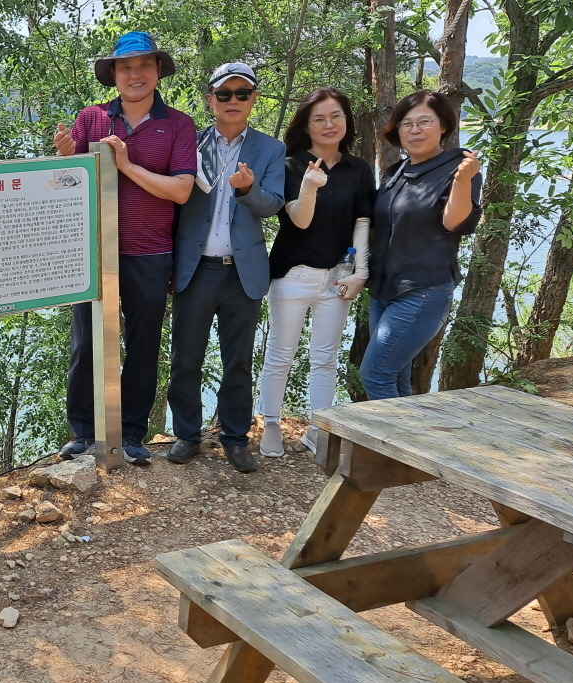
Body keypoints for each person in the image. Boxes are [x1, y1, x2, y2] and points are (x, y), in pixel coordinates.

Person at [53, 31, 196, 464]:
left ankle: (131, 434)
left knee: (143, 343)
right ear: (113, 74)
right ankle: (83, 432)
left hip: (150, 251)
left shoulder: (178, 124)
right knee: (86, 343)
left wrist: (127, 165)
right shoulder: (91, 119)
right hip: (93, 251)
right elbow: (67, 186)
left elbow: (181, 191)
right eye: (125, 66)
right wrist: (63, 157)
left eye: (144, 65)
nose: (135, 74)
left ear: (157, 72)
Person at [166, 62, 285, 473]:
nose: (233, 101)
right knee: (185, 358)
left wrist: (248, 189)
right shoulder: (191, 146)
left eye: (242, 94)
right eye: (224, 94)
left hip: (243, 272)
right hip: (195, 269)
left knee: (238, 360)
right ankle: (187, 435)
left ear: (253, 100)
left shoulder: (271, 149)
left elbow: (273, 205)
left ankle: (235, 439)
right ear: (210, 99)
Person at [257, 88, 375, 457]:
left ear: (346, 121)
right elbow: (299, 220)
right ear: (306, 126)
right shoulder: (290, 165)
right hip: (293, 274)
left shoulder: (358, 169)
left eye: (336, 116)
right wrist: (309, 187)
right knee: (281, 353)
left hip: (337, 277)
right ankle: (271, 422)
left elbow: (362, 221)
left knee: (326, 357)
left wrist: (361, 271)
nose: (329, 124)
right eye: (319, 118)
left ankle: (319, 427)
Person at [361, 91, 482, 399]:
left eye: (424, 122)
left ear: (443, 125)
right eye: (406, 124)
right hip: (384, 290)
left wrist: (463, 182)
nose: (414, 130)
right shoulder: (395, 172)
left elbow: (454, 222)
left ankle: (386, 448)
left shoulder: (460, 167)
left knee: (375, 374)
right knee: (396, 377)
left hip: (423, 291)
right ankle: (401, 443)